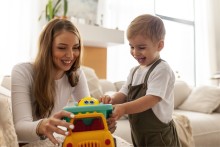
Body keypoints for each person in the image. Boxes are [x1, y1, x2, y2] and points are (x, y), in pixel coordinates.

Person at [11, 18, 116, 146]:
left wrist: (102, 123)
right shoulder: (23, 72)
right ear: (47, 48)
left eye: (75, 48)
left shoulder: (76, 74)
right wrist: (43, 125)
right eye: (62, 48)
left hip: (51, 142)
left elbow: (86, 113)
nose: (70, 55)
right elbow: (19, 129)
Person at [99, 14, 181, 147]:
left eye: (141, 48)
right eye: (132, 47)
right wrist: (111, 100)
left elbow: (151, 100)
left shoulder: (162, 69)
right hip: (139, 133)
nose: (135, 52)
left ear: (159, 45)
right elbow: (123, 93)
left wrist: (123, 108)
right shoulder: (134, 71)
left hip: (160, 137)